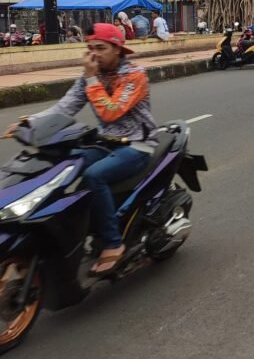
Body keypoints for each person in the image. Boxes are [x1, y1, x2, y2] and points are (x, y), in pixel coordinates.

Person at [4, 24, 158, 276]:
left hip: (136, 146)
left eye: (101, 48)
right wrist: (29, 122)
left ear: (118, 49)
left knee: (94, 176)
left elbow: (111, 112)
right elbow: (64, 108)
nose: (94, 54)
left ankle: (113, 243)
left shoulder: (134, 75)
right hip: (105, 143)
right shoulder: (90, 77)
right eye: (90, 48)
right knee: (63, 167)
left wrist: (91, 79)